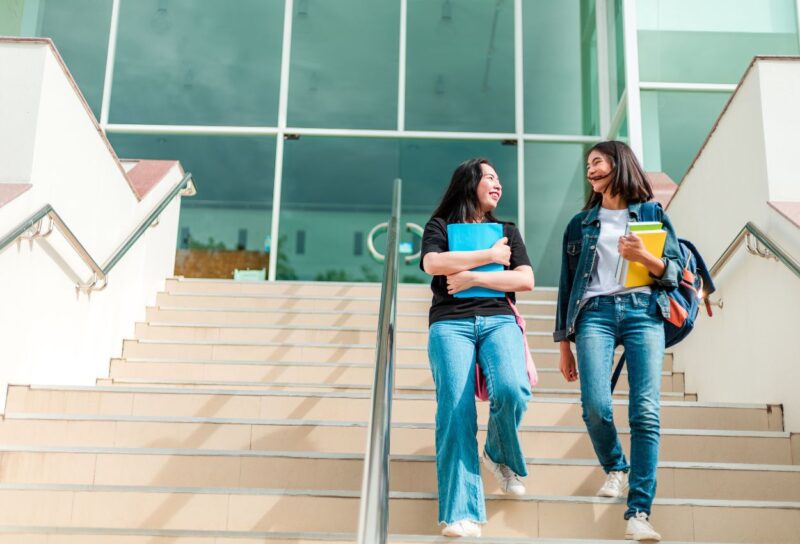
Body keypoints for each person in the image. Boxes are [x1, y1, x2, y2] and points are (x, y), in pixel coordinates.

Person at [554, 140, 683, 542]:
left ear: (618, 164)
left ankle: (639, 512)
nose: (590, 169)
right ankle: (616, 466)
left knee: (645, 412)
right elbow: (566, 285)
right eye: (588, 164)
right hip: (595, 314)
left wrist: (646, 258)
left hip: (645, 311)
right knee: (595, 405)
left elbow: (674, 270)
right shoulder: (580, 223)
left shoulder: (650, 213)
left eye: (598, 161)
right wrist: (563, 343)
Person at [420, 157, 535, 538]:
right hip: (450, 325)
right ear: (469, 183)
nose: (498, 184)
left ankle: (498, 453)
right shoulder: (440, 226)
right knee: (455, 412)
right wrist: (488, 258)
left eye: (499, 178)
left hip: (498, 319)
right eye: (489, 177)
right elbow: (433, 263)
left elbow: (526, 280)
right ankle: (460, 513)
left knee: (512, 389)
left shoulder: (507, 230)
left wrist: (470, 277)